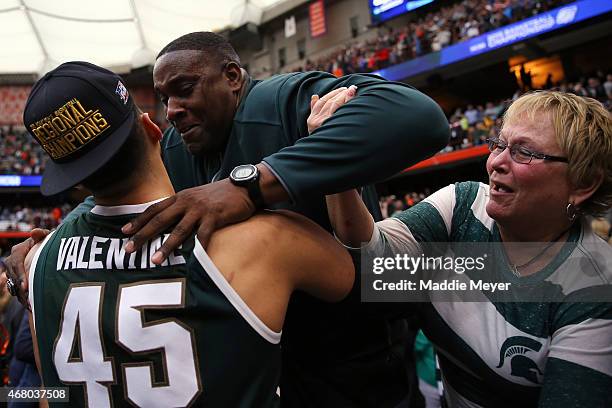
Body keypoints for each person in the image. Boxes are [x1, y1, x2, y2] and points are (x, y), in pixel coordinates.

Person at [6, 31, 449, 406]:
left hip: (355, 356)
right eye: (164, 99)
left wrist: (250, 185)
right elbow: (118, 186)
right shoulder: (177, 148)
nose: (173, 109)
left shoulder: (281, 102)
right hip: (270, 364)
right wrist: (50, 245)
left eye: (185, 88)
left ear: (233, 77)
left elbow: (421, 119)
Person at [21, 61, 354, 407]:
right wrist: (328, 157)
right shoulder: (263, 240)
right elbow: (363, 277)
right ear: (152, 128)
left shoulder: (36, 261)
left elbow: (49, 395)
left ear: (74, 178)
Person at [321, 91, 612, 406]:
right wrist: (335, 156)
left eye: (524, 152)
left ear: (583, 183)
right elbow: (373, 260)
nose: (497, 162)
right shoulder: (464, 205)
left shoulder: (597, 288)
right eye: (499, 144)